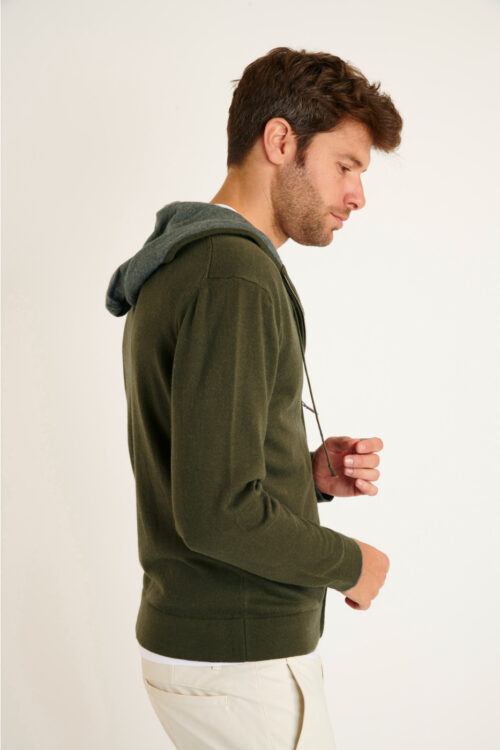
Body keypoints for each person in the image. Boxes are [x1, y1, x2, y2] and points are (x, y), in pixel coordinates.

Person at [105, 46, 402, 749]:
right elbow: (218, 512)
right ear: (280, 141)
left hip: (212, 649)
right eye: (346, 166)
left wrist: (305, 475)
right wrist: (353, 565)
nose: (357, 196)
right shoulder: (231, 275)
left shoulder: (191, 262)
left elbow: (202, 469)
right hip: (241, 665)